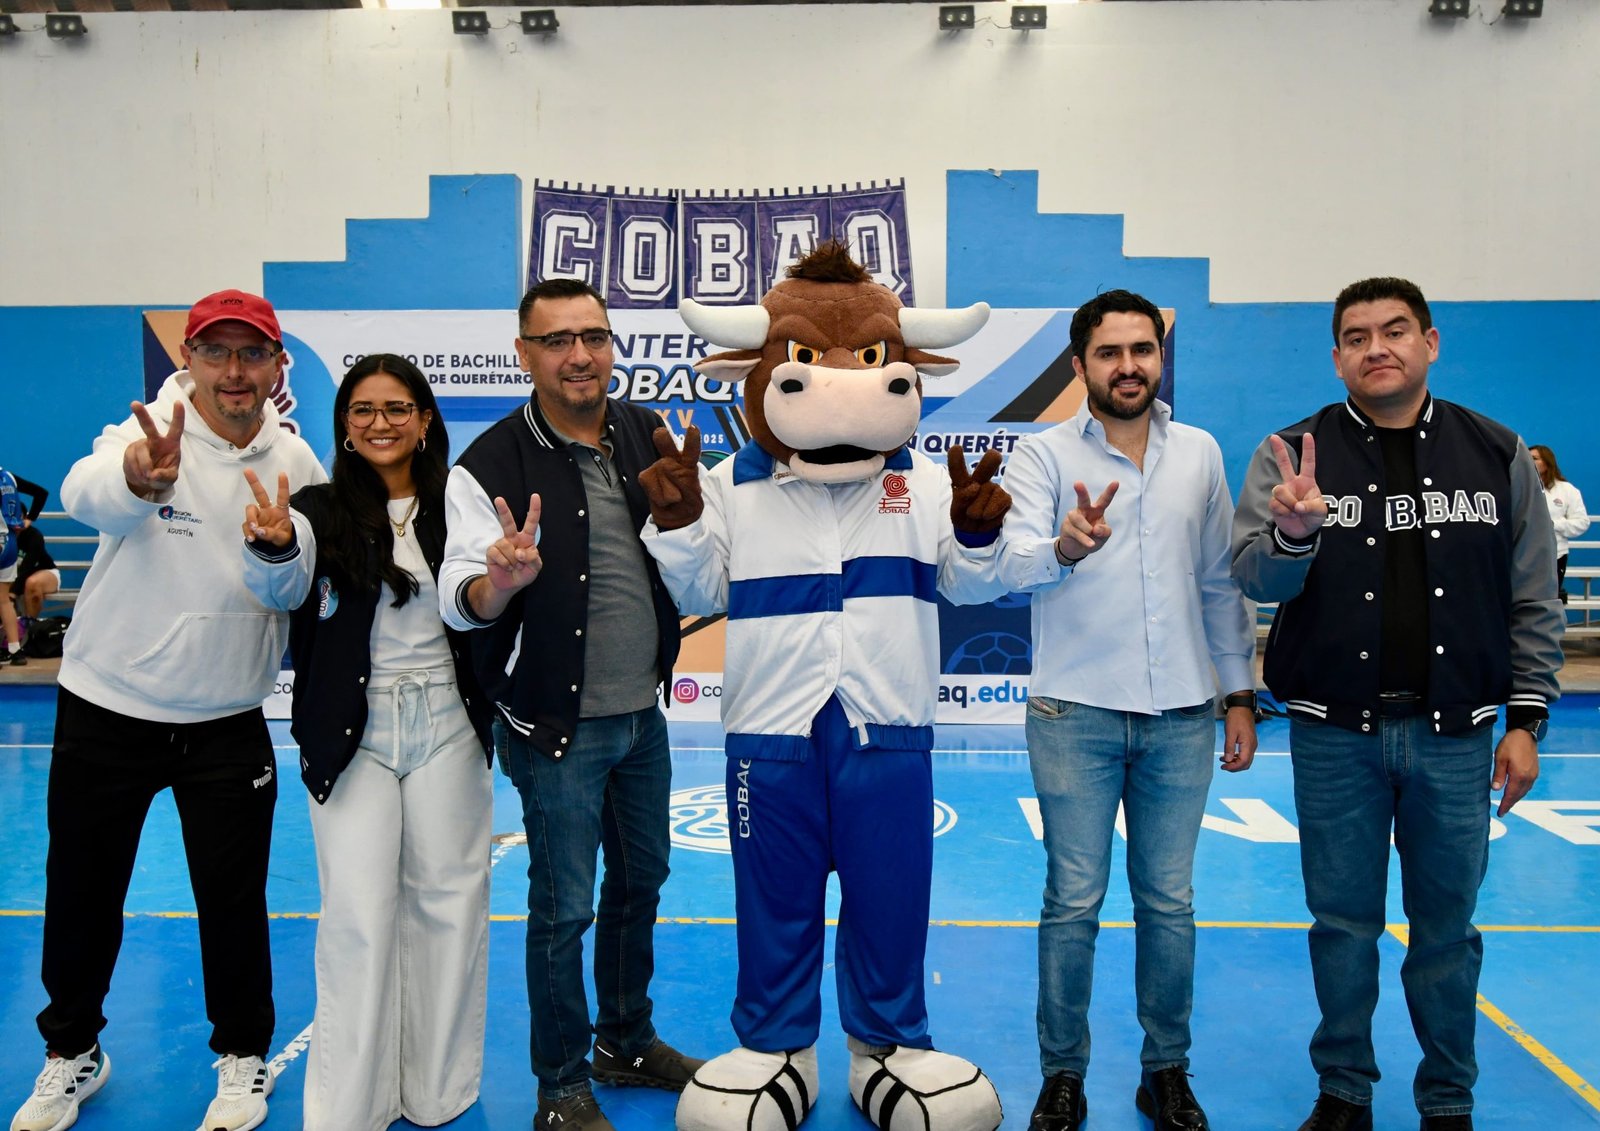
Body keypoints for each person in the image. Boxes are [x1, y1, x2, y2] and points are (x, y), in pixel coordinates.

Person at [1231, 277, 1563, 1131]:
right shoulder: (1288, 453)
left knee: (1447, 931)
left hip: (1457, 739)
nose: (1376, 347)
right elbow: (1253, 578)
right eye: (1356, 336)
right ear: (1336, 356)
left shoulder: (1496, 451)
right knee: (1341, 925)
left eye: (1395, 330)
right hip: (1334, 738)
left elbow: (1534, 596)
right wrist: (1293, 533)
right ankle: (1344, 1090)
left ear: (1431, 342)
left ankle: (1448, 1098)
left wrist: (1526, 720)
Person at [9, 290, 326, 1131]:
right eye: (216, 352)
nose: (234, 371)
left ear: (277, 366)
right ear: (189, 359)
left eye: (252, 353)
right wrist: (136, 478)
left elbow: (293, 591)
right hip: (109, 706)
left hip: (227, 718)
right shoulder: (146, 431)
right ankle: (73, 1051)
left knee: (233, 900)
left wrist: (276, 550)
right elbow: (85, 492)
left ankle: (243, 1055)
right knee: (82, 894)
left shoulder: (299, 463)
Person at [439, 278, 699, 1131]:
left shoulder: (644, 433)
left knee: (642, 882)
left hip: (641, 717)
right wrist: (497, 582)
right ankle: (559, 1086)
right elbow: (457, 599)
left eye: (594, 335)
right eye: (557, 340)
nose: (579, 355)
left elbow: (687, 551)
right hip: (553, 725)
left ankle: (625, 1040)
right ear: (524, 354)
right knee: (563, 910)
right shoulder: (488, 464)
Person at [994, 289, 1257, 1131]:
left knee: (1169, 902)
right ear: (1081, 366)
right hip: (1074, 711)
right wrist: (1065, 546)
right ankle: (1062, 1075)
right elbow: (1012, 563)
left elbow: (1218, 583)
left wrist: (1239, 692)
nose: (1129, 365)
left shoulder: (1201, 453)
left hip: (1182, 713)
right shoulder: (1040, 456)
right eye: (1109, 352)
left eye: (1142, 349)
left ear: (1159, 358)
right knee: (1073, 900)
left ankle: (1165, 1071)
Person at [240, 354, 495, 1131]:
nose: (380, 422)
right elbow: (283, 587)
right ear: (345, 426)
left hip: (449, 722)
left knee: (451, 904)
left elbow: (487, 599)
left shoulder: (459, 501)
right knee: (358, 911)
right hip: (353, 730)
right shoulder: (315, 507)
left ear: (424, 419)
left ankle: (438, 1090)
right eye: (363, 409)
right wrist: (274, 545)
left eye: (396, 407)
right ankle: (351, 1106)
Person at [1528, 444, 1589, 604]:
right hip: (1523, 556)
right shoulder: (1517, 486)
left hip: (1555, 555)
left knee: (1548, 601)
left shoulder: (1567, 490)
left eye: (1534, 458)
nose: (1529, 461)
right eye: (1527, 458)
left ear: (1547, 462)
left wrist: (1553, 524)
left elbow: (1582, 522)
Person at [0, 470, 48, 666]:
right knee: (3, 600)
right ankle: (15, 650)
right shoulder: (8, 477)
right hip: (9, 542)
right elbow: (41, 493)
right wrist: (30, 519)